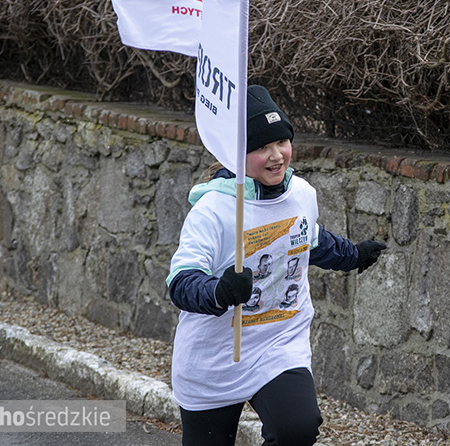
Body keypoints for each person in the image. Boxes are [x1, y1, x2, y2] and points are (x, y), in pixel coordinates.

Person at [166, 84, 387, 446]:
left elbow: (307, 240)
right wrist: (219, 291)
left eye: (281, 142)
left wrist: (352, 255)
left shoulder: (301, 193)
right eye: (260, 147)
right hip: (215, 358)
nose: (276, 155)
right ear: (234, 154)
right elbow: (181, 282)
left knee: (296, 428)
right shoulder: (212, 211)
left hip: (278, 343)